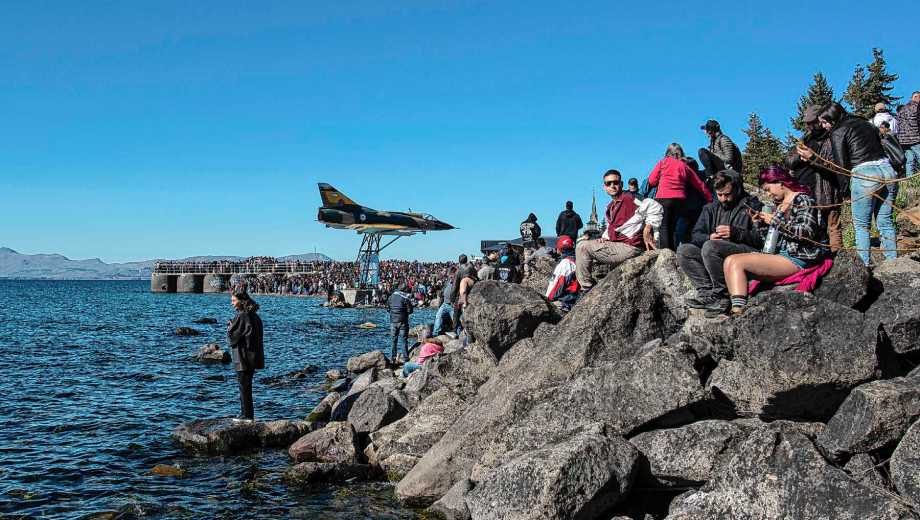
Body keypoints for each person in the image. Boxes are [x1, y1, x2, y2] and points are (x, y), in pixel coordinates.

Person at [722, 166, 827, 315]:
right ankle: (737, 307)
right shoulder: (780, 204)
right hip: (781, 255)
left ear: (780, 183)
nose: (768, 194)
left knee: (737, 262)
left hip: (798, 257)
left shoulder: (803, 200)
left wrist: (775, 221)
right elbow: (771, 240)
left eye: (768, 189)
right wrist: (759, 224)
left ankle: (739, 312)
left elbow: (806, 232)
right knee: (729, 261)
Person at [818, 102, 897, 264]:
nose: (823, 126)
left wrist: (845, 192)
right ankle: (894, 264)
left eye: (825, 122)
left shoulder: (838, 131)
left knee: (862, 226)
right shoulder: (866, 123)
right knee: (886, 222)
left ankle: (863, 267)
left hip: (864, 174)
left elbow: (840, 166)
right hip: (887, 170)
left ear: (833, 118)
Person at [677, 170, 764, 314]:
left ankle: (722, 296)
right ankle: (707, 294)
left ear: (737, 189)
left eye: (727, 194)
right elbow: (696, 235)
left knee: (711, 247)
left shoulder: (753, 206)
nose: (723, 199)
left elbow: (761, 240)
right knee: (684, 250)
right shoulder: (710, 208)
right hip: (714, 252)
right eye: (719, 195)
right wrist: (709, 237)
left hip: (746, 253)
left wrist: (736, 233)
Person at [575, 169, 662, 291]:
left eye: (615, 182)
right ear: (604, 187)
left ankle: (586, 288)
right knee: (583, 244)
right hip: (619, 245)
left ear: (621, 184)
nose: (612, 186)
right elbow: (614, 226)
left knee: (582, 247)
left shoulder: (629, 198)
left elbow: (655, 206)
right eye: (608, 183)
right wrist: (605, 237)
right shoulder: (611, 206)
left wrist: (648, 227)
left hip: (630, 247)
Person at [788, 104, 846, 252]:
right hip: (805, 189)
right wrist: (799, 157)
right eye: (807, 123)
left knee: (833, 226)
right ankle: (819, 258)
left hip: (827, 189)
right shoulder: (806, 138)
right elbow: (789, 160)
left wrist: (813, 157)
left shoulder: (832, 137)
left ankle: (838, 257)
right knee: (813, 228)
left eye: (812, 122)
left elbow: (835, 166)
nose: (810, 126)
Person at [647, 143, 713, 250]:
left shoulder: (662, 163)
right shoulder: (684, 166)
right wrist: (710, 198)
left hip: (663, 198)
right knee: (673, 228)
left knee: (664, 227)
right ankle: (673, 252)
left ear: (667, 153)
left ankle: (665, 253)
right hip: (679, 200)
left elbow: (651, 181)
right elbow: (699, 184)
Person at [227, 289, 265, 422]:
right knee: (247, 385)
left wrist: (230, 328)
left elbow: (233, 339)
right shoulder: (255, 316)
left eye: (234, 300)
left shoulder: (241, 316)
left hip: (243, 356)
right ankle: (248, 414)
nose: (232, 303)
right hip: (253, 356)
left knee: (243, 386)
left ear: (241, 301)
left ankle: (246, 415)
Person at [545, 235, 579, 311]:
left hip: (566, 302)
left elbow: (556, 285)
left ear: (560, 248)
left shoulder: (565, 263)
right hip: (575, 298)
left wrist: (546, 300)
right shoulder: (577, 259)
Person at [387, 282, 415, 363]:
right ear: (404, 290)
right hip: (403, 321)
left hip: (393, 321)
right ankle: (406, 358)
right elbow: (410, 311)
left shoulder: (391, 297)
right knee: (404, 340)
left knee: (393, 340)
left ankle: (393, 358)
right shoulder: (405, 298)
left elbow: (388, 309)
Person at [897, 91, 920, 176]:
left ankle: (909, 179)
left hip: (903, 140)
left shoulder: (902, 109)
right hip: (915, 138)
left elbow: (898, 123)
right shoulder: (917, 107)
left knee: (910, 160)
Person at [432, 268, 455, 335]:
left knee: (455, 320)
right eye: (450, 275)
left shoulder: (457, 282)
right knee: (438, 316)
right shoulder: (447, 281)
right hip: (445, 304)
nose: (450, 276)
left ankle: (459, 333)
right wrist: (438, 286)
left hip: (452, 305)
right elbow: (442, 290)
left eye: (451, 275)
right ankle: (436, 333)